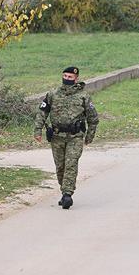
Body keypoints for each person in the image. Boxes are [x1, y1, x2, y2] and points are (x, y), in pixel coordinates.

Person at [34, 66, 99, 210]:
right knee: (60, 167)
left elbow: (93, 118)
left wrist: (90, 136)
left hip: (75, 137)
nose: (67, 79)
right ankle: (64, 191)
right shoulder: (52, 94)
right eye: (65, 76)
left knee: (71, 163)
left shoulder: (83, 96)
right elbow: (42, 113)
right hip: (57, 136)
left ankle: (67, 194)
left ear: (76, 78)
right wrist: (37, 130)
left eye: (70, 77)